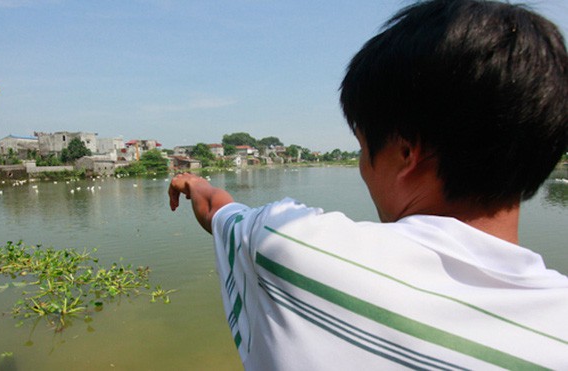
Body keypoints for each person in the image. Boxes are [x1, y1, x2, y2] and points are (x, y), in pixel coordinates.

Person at [168, 0, 568, 369]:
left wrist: (192, 181)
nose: (362, 166)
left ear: (406, 154)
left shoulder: (289, 247)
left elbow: (217, 209)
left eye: (362, 148)